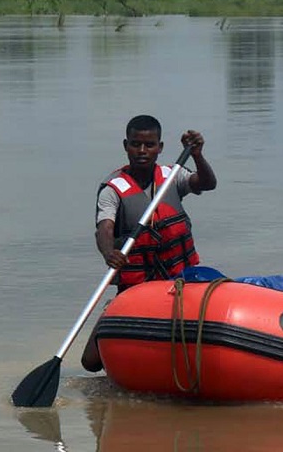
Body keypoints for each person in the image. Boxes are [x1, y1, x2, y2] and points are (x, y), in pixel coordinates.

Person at [81, 114, 218, 372]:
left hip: (181, 280)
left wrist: (197, 155)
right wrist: (109, 253)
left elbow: (207, 183)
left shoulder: (172, 175)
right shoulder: (113, 189)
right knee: (90, 361)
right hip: (138, 286)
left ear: (160, 147)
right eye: (135, 144)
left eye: (149, 145)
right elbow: (104, 229)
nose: (142, 151)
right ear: (126, 146)